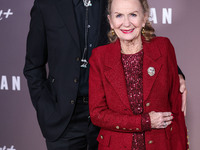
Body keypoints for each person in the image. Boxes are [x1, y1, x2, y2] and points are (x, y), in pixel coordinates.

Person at [23, 0, 187, 149]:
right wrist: (46, 109)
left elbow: (135, 32)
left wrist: (176, 73)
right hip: (63, 118)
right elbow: (33, 66)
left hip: (110, 119)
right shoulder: (46, 4)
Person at [89, 0, 188, 149]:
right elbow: (97, 114)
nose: (126, 23)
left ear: (144, 18)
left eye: (133, 15)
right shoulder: (99, 57)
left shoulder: (164, 47)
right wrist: (144, 121)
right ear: (110, 21)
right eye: (119, 16)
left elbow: (176, 112)